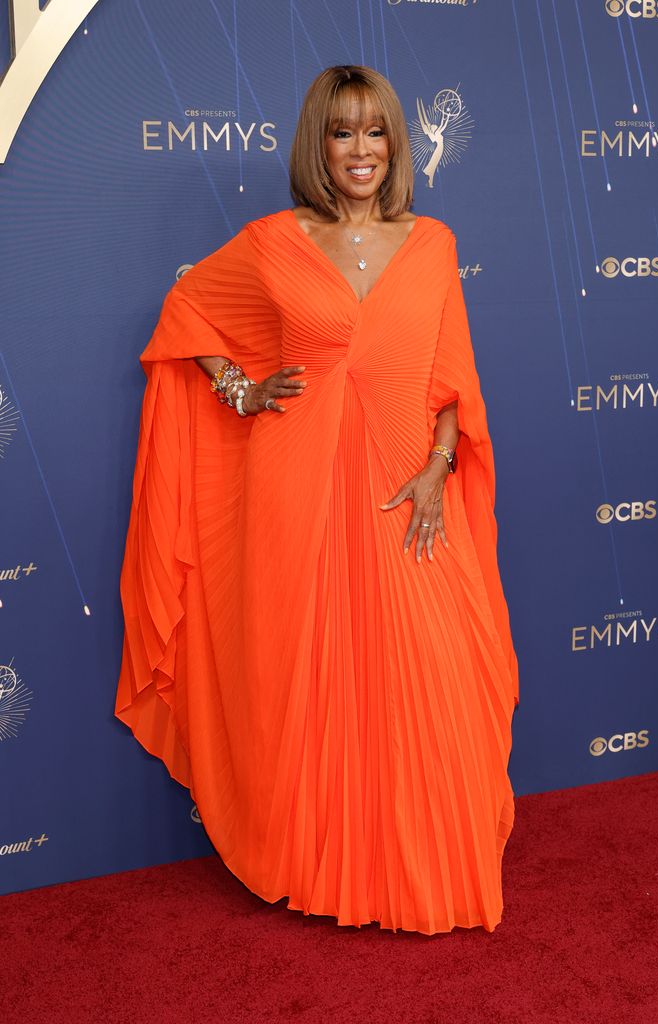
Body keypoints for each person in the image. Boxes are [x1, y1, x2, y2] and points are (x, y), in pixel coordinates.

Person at [115, 64, 519, 936]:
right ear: (318, 146)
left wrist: (438, 469)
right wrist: (241, 391)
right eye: (342, 132)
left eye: (375, 131)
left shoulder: (435, 242)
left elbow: (453, 383)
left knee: (428, 673)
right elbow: (186, 308)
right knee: (313, 673)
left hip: (403, 486)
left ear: (395, 145)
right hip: (295, 481)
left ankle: (419, 869)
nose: (361, 149)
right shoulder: (274, 240)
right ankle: (320, 863)